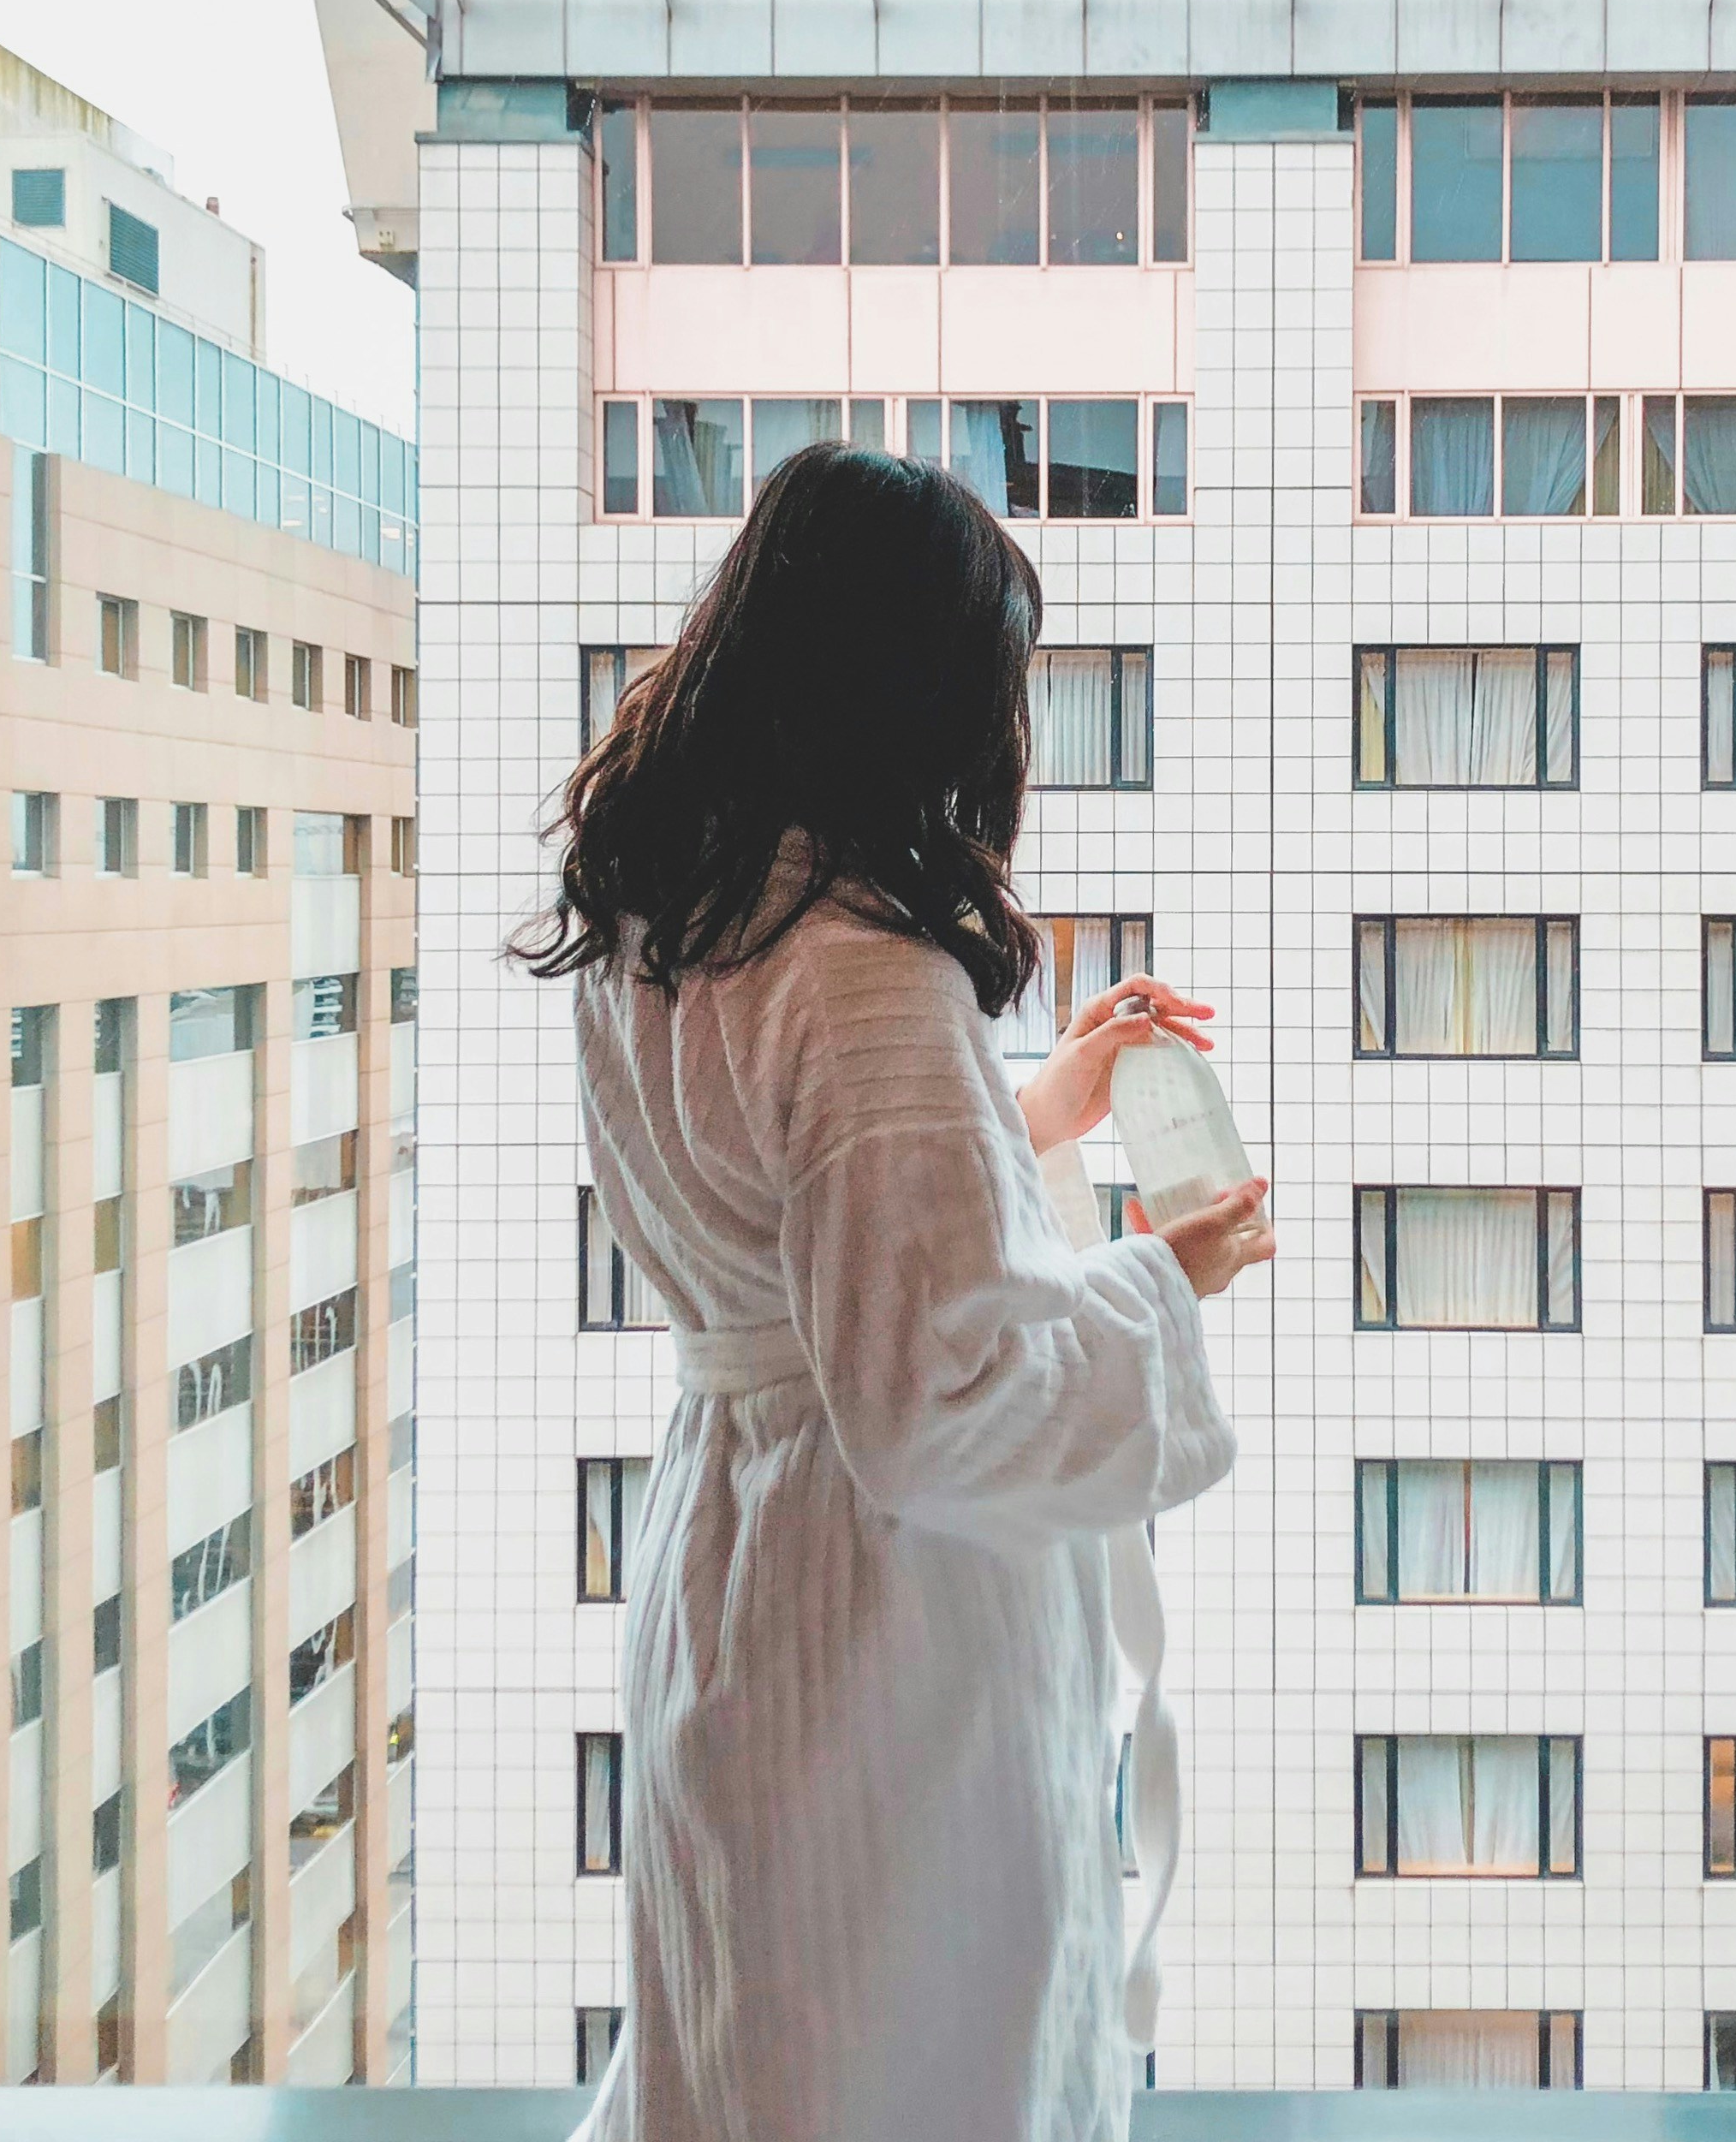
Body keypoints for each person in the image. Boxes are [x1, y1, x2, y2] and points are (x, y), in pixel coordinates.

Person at [514, 443, 1276, 2141]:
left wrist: (1041, 1107)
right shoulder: (869, 969)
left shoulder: (669, 908)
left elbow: (799, 1210)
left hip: (732, 1560)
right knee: (907, 2052)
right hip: (881, 1630)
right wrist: (1174, 1268)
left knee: (757, 2037)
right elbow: (941, 1399)